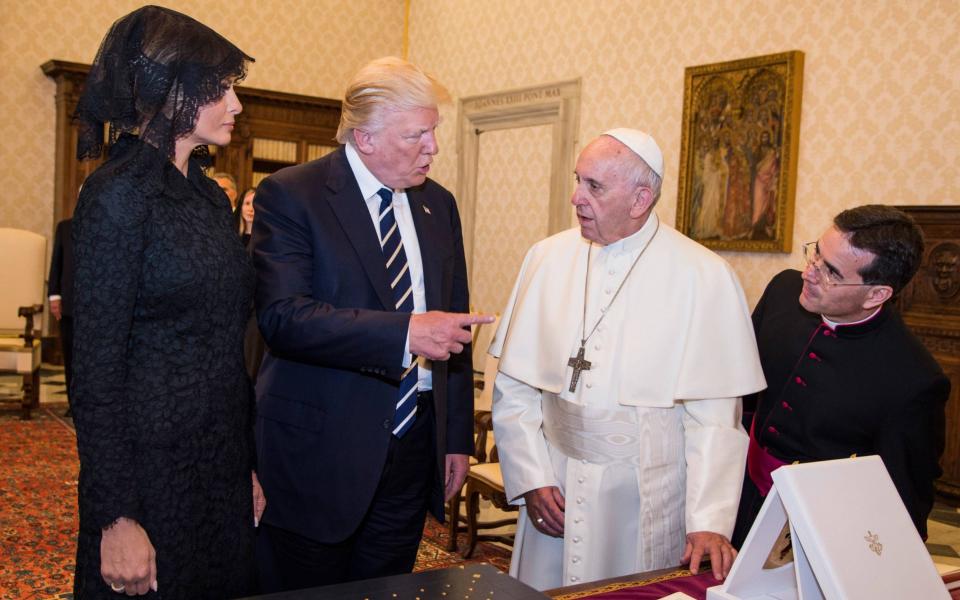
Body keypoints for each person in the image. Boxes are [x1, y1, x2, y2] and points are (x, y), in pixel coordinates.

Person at [252, 56, 492, 591]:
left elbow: (452, 328)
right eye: (417, 135)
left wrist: (454, 438)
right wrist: (405, 333)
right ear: (365, 138)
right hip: (321, 447)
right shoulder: (293, 195)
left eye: (434, 132)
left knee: (387, 588)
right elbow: (284, 318)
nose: (433, 147)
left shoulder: (439, 205)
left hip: (412, 445)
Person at [489, 128, 767, 591]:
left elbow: (716, 420)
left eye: (594, 186)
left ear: (641, 198)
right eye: (578, 180)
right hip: (554, 479)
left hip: (644, 496)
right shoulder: (545, 258)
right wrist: (531, 478)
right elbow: (514, 389)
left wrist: (709, 519)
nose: (576, 198)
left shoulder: (702, 276)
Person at [70, 6, 264, 597]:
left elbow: (227, 347)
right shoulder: (116, 197)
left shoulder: (207, 196)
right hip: (148, 474)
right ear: (173, 92)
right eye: (221, 89)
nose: (235, 105)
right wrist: (117, 517)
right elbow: (94, 373)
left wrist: (245, 464)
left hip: (219, 465)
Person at [731, 205, 949, 548]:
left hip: (817, 526)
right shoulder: (782, 291)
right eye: (816, 253)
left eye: (830, 271)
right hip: (739, 491)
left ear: (877, 294)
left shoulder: (913, 380)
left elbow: (904, 495)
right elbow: (742, 387)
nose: (809, 273)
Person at [48, 217, 75, 410]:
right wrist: (54, 295)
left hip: (100, 307)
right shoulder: (65, 227)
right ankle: (73, 403)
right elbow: (56, 262)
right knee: (70, 355)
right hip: (70, 304)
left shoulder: (109, 223)